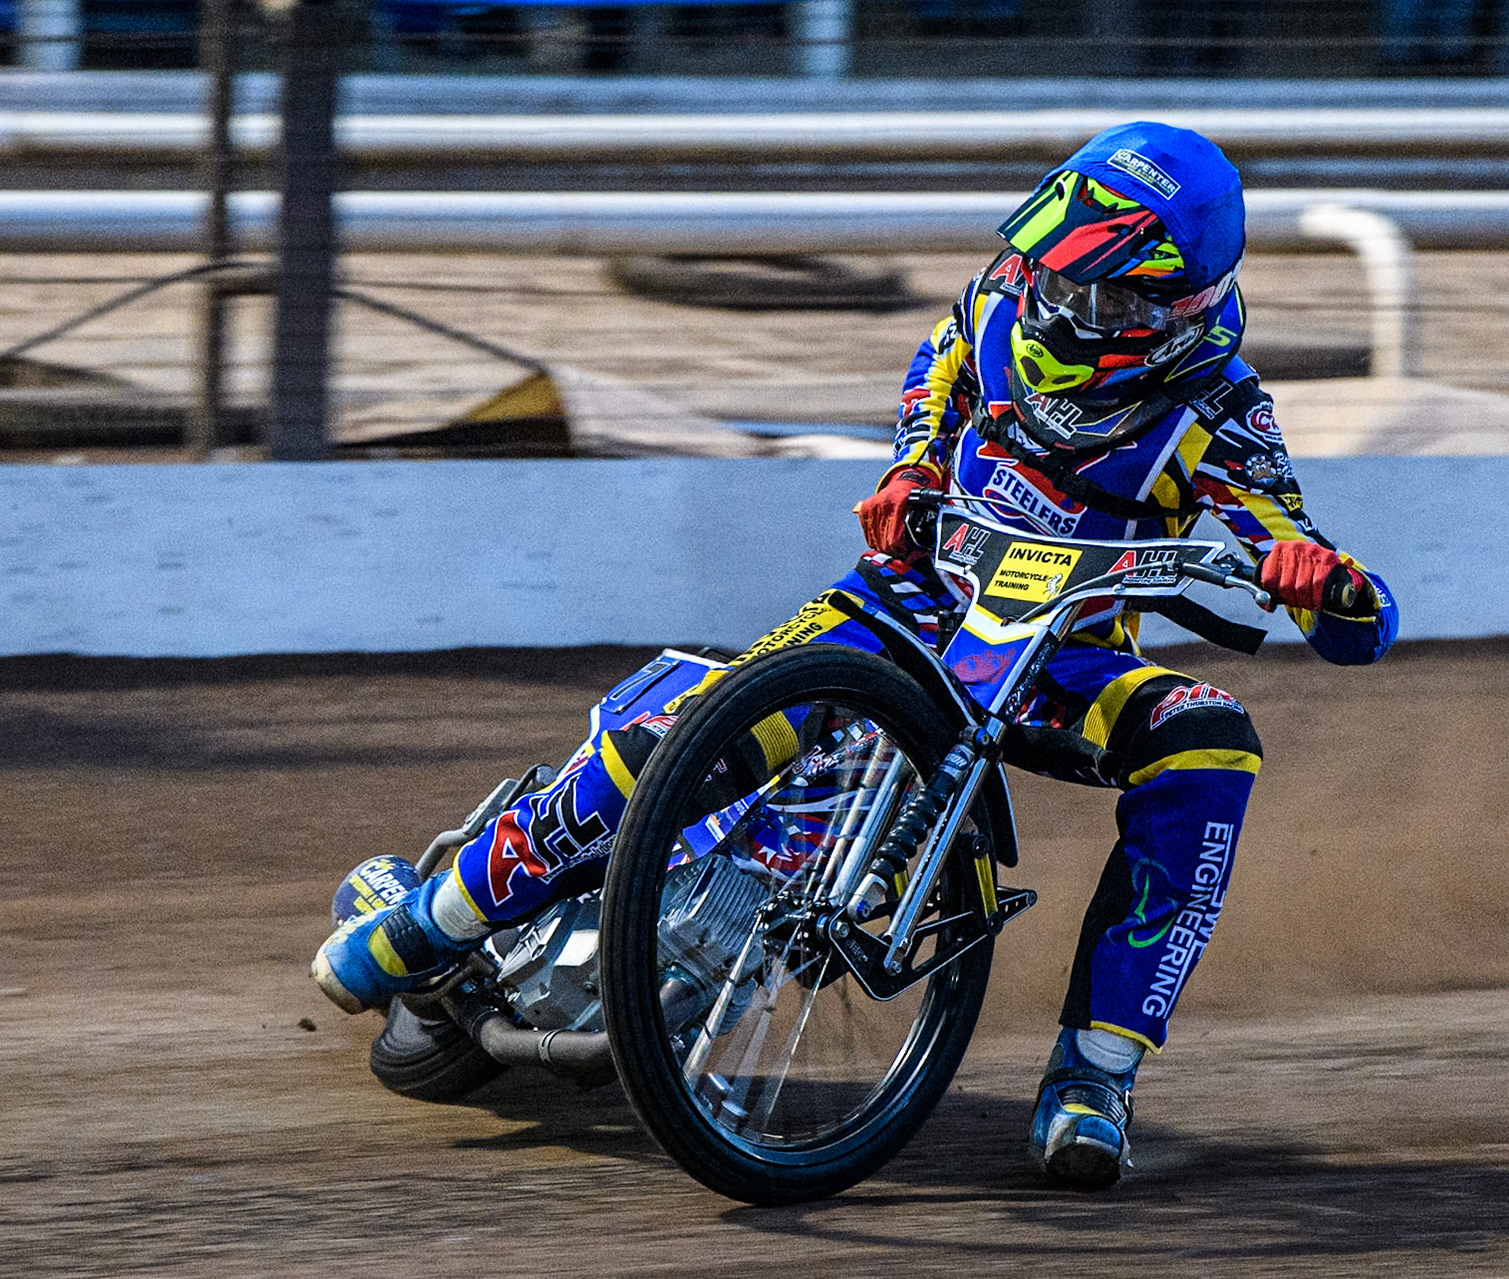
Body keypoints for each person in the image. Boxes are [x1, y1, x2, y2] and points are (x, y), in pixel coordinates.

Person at [313, 121, 1398, 1189]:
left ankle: (1096, 1075)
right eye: (1060, 279)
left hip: (1055, 666)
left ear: (1178, 307)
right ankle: (423, 922)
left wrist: (1321, 582)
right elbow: (935, 368)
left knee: (1210, 743)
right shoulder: (1000, 307)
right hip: (896, 609)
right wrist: (911, 469)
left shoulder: (1223, 411)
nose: (1064, 308)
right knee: (680, 738)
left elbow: (1288, 539)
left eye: (1103, 298)